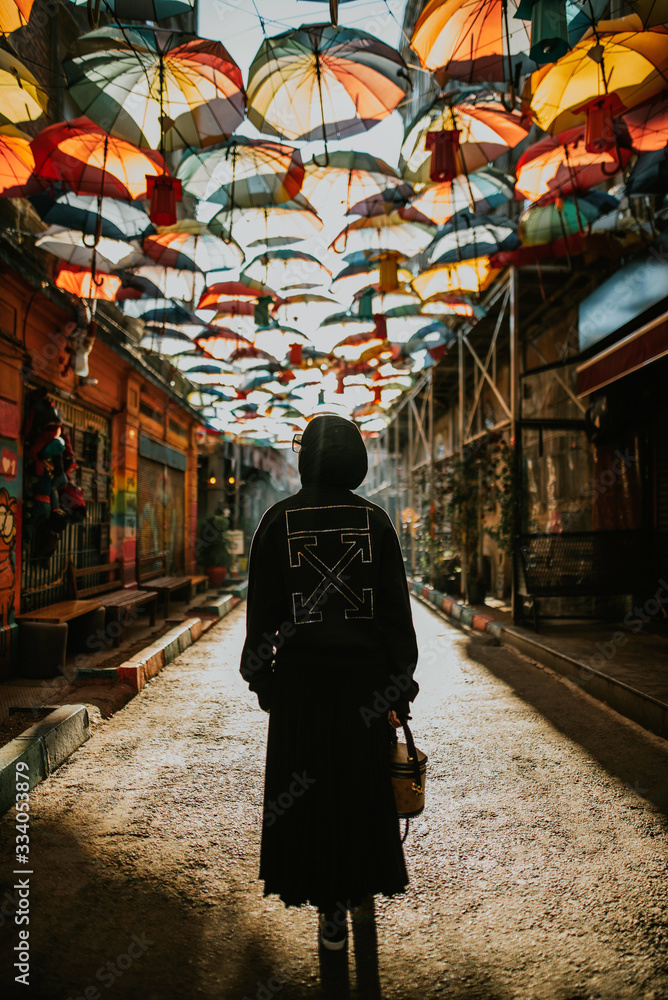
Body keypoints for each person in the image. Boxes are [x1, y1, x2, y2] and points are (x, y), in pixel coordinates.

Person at [240, 413, 419, 951]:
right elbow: (395, 618)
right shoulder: (377, 522)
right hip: (365, 691)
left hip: (300, 690)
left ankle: (329, 912)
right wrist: (399, 690)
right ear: (355, 458)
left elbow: (260, 622)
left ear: (305, 457)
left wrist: (268, 687)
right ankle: (358, 888)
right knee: (359, 794)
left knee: (309, 803)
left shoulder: (276, 521)